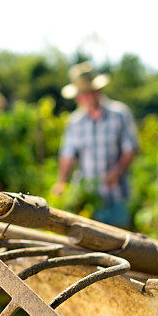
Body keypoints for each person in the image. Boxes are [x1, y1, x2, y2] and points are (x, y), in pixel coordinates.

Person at [52, 62, 138, 227]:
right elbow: (67, 155)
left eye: (85, 93)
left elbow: (130, 149)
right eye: (80, 94)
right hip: (88, 196)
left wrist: (117, 172)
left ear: (97, 91)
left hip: (117, 194)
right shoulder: (75, 122)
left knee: (118, 243)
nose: (81, 98)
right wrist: (62, 182)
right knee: (87, 240)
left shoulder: (119, 114)